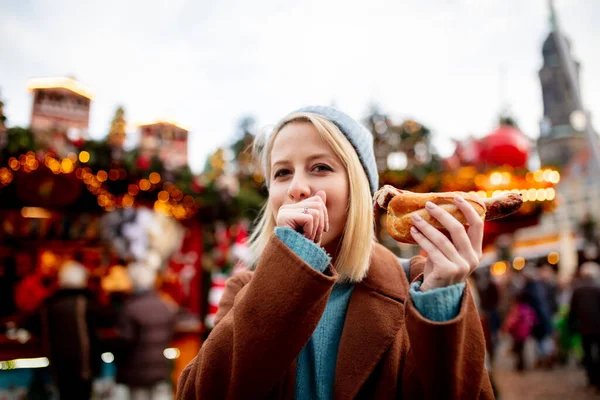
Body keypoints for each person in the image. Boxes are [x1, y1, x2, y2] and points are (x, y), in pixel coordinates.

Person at [177, 106, 493, 399]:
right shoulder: (243, 290)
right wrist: (286, 273)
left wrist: (440, 301)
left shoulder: (417, 284)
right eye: (282, 173)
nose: (296, 188)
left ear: (358, 189)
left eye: (320, 168)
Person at [25, 260, 101, 400]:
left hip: (58, 367)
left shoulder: (49, 305)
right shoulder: (85, 303)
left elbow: (30, 323)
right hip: (84, 367)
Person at [114, 263, 178, 400]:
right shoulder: (165, 306)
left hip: (136, 372)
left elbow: (125, 341)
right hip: (160, 369)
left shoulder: (130, 309)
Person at [569, 261, 600, 390]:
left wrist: (572, 326)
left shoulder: (578, 290)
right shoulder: (597, 288)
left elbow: (573, 311)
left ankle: (592, 378)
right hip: (597, 326)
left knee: (587, 353)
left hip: (585, 327)